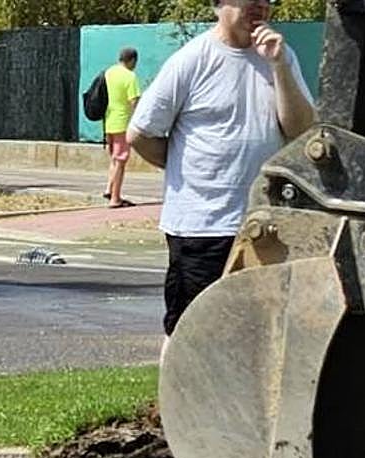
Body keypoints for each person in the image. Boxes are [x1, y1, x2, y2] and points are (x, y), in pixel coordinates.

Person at [127, 0, 315, 337]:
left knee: (258, 333)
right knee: (193, 334)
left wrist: (279, 67)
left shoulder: (281, 57)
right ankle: (179, 392)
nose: (260, 6)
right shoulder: (192, 60)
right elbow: (140, 134)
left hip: (263, 226)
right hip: (202, 228)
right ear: (219, 4)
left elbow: (301, 131)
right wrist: (184, 171)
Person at [102, 47, 141, 209]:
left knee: (114, 158)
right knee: (121, 160)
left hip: (108, 121)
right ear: (132, 60)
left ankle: (109, 189)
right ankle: (115, 198)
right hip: (123, 123)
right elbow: (134, 102)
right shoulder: (130, 77)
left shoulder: (109, 73)